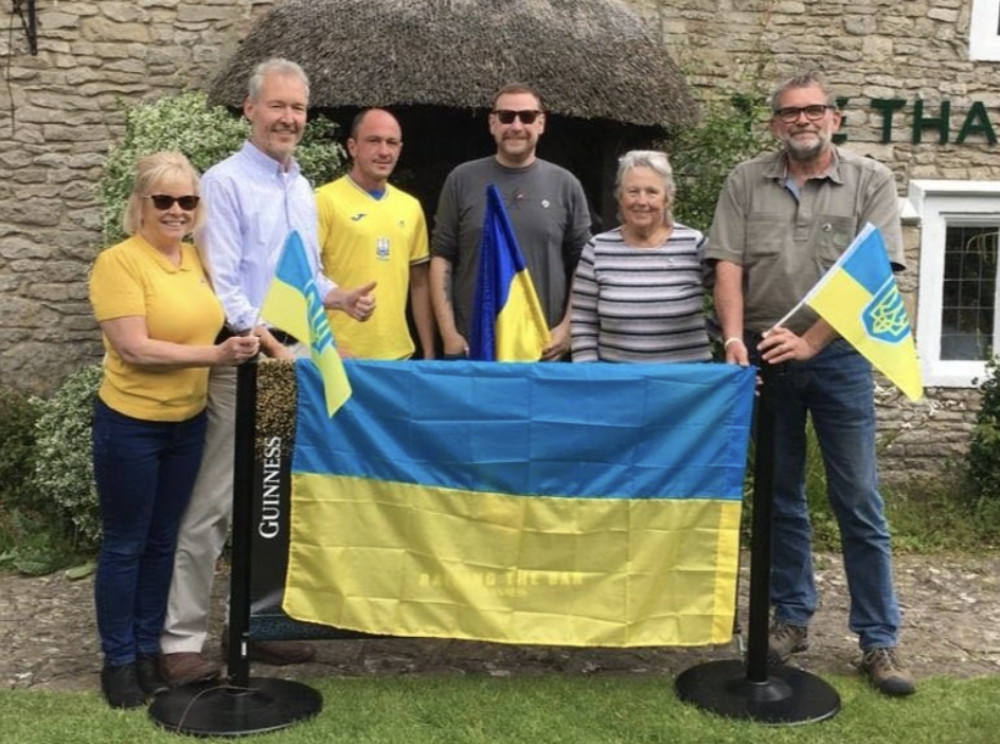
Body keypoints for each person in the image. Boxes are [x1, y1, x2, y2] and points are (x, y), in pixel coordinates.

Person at [159, 58, 375, 687]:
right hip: (244, 361)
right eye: (277, 106)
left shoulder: (300, 186)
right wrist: (268, 342)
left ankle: (252, 626)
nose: (289, 118)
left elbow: (300, 275)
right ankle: (180, 640)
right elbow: (223, 282)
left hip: (291, 360)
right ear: (250, 111)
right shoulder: (223, 183)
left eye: (299, 109)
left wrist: (336, 298)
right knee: (216, 506)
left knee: (276, 499)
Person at [705, 72, 916, 696]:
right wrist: (735, 339)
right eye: (790, 113)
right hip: (766, 357)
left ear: (836, 117)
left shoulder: (870, 181)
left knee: (858, 499)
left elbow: (874, 275)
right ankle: (791, 620)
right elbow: (728, 266)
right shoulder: (746, 181)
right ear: (775, 124)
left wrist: (813, 341)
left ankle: (879, 638)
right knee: (780, 497)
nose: (802, 120)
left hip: (840, 360)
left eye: (814, 110)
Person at [88, 151, 261, 708]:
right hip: (132, 426)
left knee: (162, 542)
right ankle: (118, 660)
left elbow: (233, 304)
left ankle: (147, 651)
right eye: (164, 200)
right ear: (140, 204)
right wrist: (215, 356)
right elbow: (133, 347)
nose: (177, 210)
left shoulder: (192, 260)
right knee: (125, 545)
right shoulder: (120, 262)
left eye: (188, 200)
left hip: (185, 424)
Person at [430, 83, 591, 360]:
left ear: (541, 123)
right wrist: (449, 333)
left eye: (527, 117)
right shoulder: (461, 179)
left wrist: (567, 328)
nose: (516, 125)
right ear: (492, 123)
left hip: (542, 348)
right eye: (506, 116)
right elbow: (442, 257)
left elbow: (584, 262)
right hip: (474, 347)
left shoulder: (565, 184)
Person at [570, 150, 711, 363]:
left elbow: (730, 297)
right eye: (633, 191)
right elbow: (582, 321)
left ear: (667, 198)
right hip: (618, 384)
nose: (641, 201)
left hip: (685, 384)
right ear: (620, 196)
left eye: (652, 192)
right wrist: (591, 374)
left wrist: (712, 334)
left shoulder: (694, 244)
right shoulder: (597, 249)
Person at [316, 108, 435, 359]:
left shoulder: (410, 207)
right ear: (352, 146)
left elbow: (420, 283)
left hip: (399, 354)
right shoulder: (323, 201)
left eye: (391, 143)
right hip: (340, 354)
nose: (384, 151)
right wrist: (325, 344)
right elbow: (304, 278)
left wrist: (429, 351)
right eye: (373, 141)